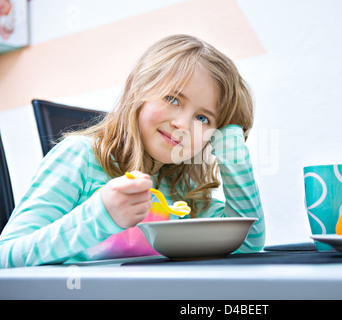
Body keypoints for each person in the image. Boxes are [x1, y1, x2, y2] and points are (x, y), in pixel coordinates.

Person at [0, 34, 265, 267]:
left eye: (203, 118)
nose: (183, 124)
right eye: (172, 99)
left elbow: (247, 244)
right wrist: (100, 215)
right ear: (136, 90)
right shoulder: (79, 157)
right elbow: (6, 256)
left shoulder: (182, 188)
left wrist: (233, 153)